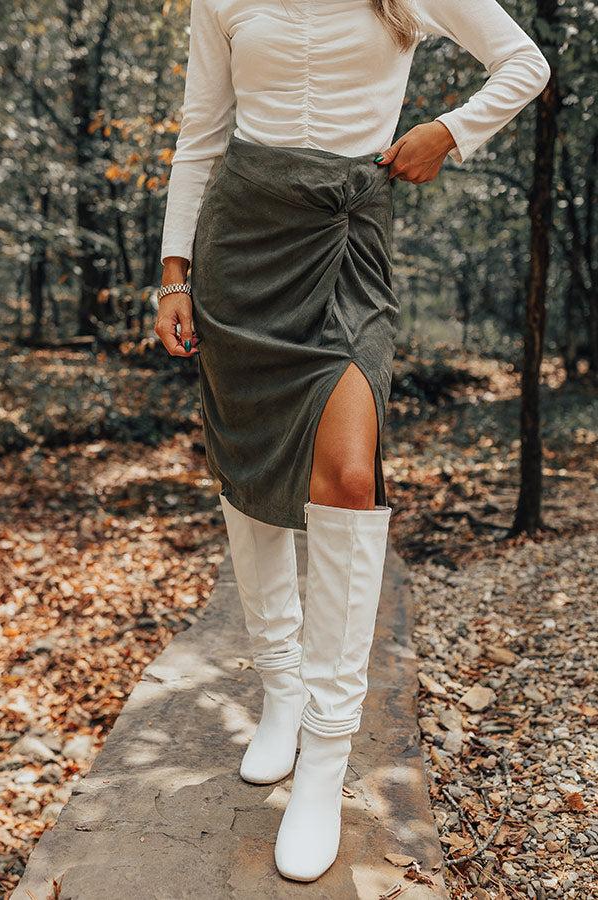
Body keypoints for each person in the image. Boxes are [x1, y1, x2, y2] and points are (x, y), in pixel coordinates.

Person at [155, 0, 550, 882]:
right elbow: (201, 131)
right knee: (247, 464)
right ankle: (281, 687)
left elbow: (525, 63)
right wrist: (174, 274)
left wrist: (448, 131)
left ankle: (327, 753)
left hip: (345, 241)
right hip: (241, 244)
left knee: (346, 476)